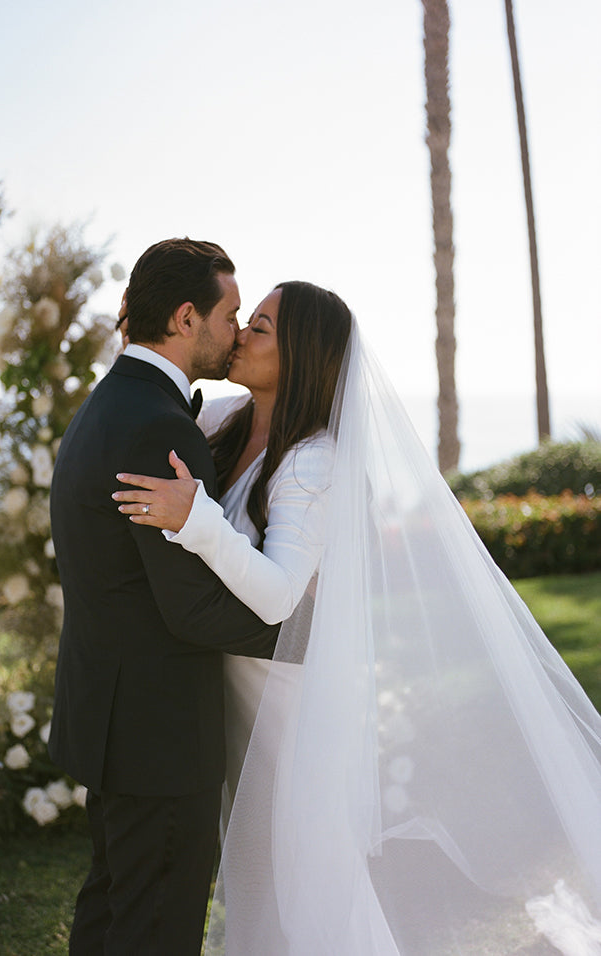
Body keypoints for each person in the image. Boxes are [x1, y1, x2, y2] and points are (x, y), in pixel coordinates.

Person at [113, 281, 601, 955]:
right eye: (245, 319)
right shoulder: (222, 419)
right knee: (256, 875)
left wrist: (195, 519)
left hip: (289, 705)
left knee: (310, 877)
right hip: (231, 685)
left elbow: (282, 595)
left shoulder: (315, 459)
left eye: (261, 327)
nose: (243, 334)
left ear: (304, 355)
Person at [48, 238, 279, 956]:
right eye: (231, 313)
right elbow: (191, 606)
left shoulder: (112, 402)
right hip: (160, 736)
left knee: (114, 914)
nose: (238, 331)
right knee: (155, 931)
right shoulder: (157, 426)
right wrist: (302, 631)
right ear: (186, 318)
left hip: (115, 719)